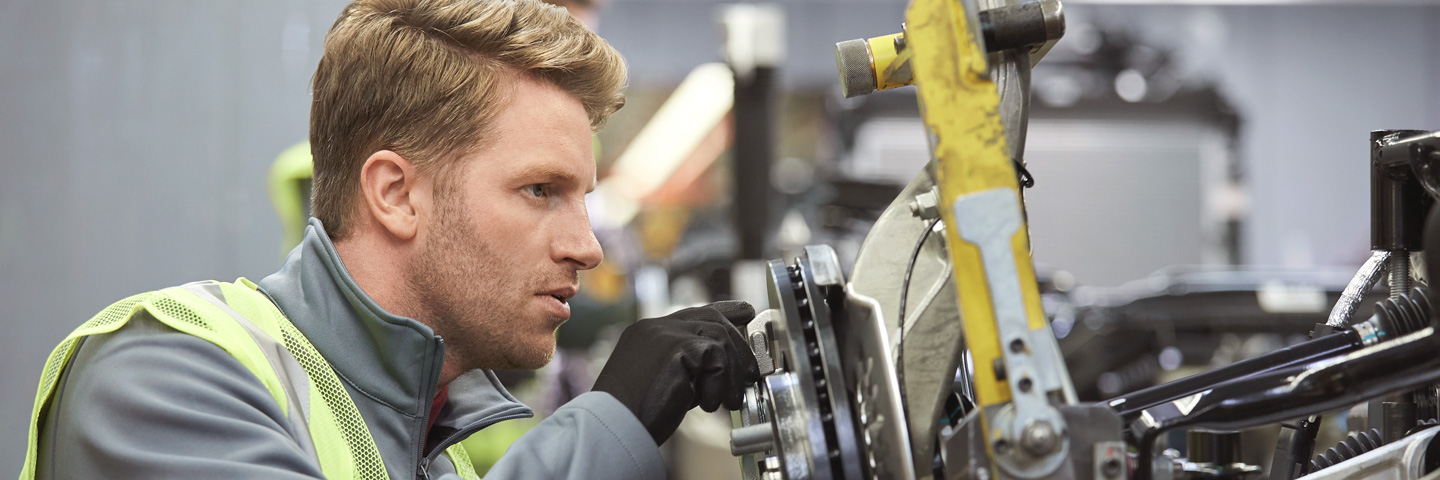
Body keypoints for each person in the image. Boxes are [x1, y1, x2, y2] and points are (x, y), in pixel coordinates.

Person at [20, 0, 761, 478]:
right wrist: (613, 420)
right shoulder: (159, 374)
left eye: (582, 199)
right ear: (396, 194)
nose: (586, 246)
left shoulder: (438, 450)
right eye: (541, 191)